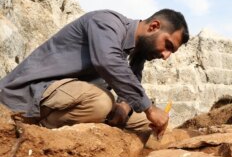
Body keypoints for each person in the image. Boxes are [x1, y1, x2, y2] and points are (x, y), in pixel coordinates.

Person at [0, 9, 189, 137]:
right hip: (30, 91)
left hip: (65, 98)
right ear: (154, 27)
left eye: (171, 52)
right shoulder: (107, 22)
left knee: (146, 125)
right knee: (101, 102)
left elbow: (132, 82)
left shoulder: (138, 52)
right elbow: (108, 62)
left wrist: (124, 106)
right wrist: (149, 108)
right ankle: (37, 134)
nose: (166, 56)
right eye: (168, 46)